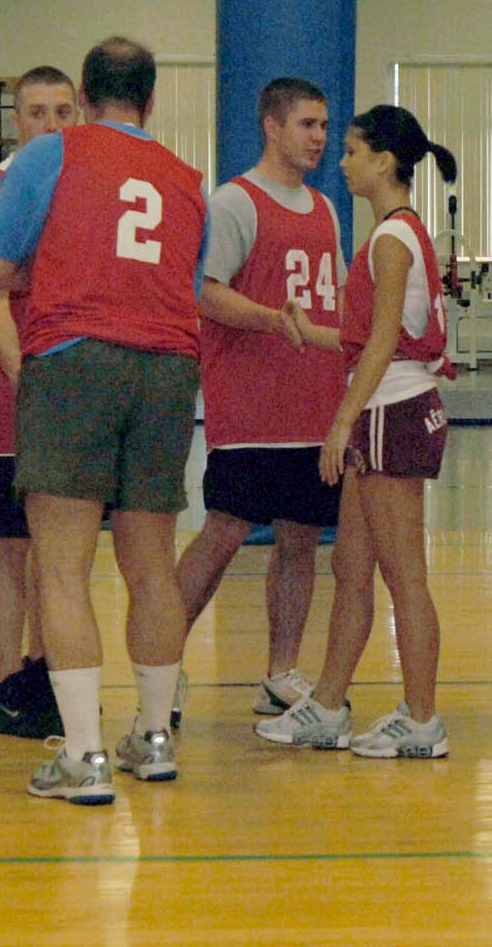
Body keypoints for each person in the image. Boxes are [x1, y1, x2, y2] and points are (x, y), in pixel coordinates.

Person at [0, 37, 205, 805]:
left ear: (83, 92)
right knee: (151, 566)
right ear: (152, 96)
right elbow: (183, 282)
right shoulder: (185, 179)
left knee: (64, 566)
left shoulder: (50, 156)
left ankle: (83, 754)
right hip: (169, 369)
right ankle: (155, 737)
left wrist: (63, 267)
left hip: (77, 361)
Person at [256, 107, 457, 758]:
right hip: (381, 408)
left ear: (383, 162)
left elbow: (382, 347)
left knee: (405, 577)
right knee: (350, 566)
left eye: (350, 150)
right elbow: (364, 339)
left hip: (390, 415)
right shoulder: (390, 236)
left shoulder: (393, 241)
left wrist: (340, 421)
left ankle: (422, 719)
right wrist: (306, 329)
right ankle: (330, 705)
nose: (338, 161)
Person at [174, 78, 345, 720]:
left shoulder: (325, 209)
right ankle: (163, 664)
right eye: (307, 124)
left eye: (325, 126)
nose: (319, 137)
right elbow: (207, 294)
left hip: (315, 408)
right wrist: (273, 319)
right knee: (221, 537)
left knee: (302, 541)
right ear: (272, 127)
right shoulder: (234, 202)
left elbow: (338, 301)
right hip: (250, 411)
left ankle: (281, 672)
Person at [0, 65, 78, 738]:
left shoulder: (86, 194)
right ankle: (6, 682)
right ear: (16, 120)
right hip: (4, 400)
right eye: (38, 112)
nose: (52, 125)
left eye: (64, 111)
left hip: (66, 397)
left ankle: (42, 669)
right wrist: (28, 382)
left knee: (55, 546)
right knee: (7, 543)